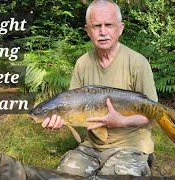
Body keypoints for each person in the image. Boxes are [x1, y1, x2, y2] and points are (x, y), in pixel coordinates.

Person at [41, 0, 158, 177]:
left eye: (109, 25)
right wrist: (58, 119)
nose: (103, 32)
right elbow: (69, 106)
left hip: (131, 145)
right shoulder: (82, 63)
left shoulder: (138, 63)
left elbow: (153, 115)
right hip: (91, 146)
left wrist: (121, 121)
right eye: (96, 26)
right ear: (88, 30)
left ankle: (141, 164)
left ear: (120, 28)